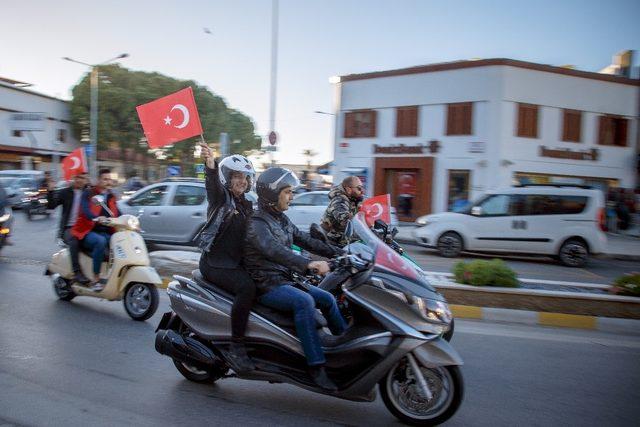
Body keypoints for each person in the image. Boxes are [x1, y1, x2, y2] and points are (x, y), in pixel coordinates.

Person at [244, 167, 346, 392]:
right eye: (288, 192)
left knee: (327, 299)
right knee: (305, 302)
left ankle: (346, 349)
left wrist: (341, 252)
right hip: (266, 284)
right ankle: (316, 366)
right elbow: (274, 250)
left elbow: (306, 240)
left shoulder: (281, 219)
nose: (292, 197)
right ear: (272, 194)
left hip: (285, 278)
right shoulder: (257, 223)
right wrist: (307, 264)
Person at [196, 142, 257, 372]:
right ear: (227, 178)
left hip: (236, 262)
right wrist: (210, 164)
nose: (242, 181)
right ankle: (237, 347)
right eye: (237, 176)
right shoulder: (221, 199)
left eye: (245, 177)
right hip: (216, 262)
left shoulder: (248, 204)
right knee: (247, 288)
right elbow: (212, 185)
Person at [71, 168, 120, 290]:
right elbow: (86, 210)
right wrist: (96, 218)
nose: (108, 182)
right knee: (100, 241)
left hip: (105, 231)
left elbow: (117, 212)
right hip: (87, 231)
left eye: (109, 179)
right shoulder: (89, 193)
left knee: (119, 241)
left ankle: (113, 275)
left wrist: (130, 220)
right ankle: (96, 278)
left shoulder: (111, 196)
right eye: (105, 179)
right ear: (99, 180)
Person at [47, 172, 90, 284]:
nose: (79, 180)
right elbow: (51, 206)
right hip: (69, 228)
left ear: (86, 180)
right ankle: (77, 273)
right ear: (73, 178)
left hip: (85, 227)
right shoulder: (65, 192)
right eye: (77, 177)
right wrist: (50, 190)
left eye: (83, 178)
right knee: (74, 241)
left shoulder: (89, 193)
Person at [320, 176, 365, 246]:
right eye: (359, 188)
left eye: (362, 187)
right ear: (348, 189)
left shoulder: (353, 200)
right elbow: (344, 219)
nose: (362, 191)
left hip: (345, 239)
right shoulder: (339, 201)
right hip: (334, 241)